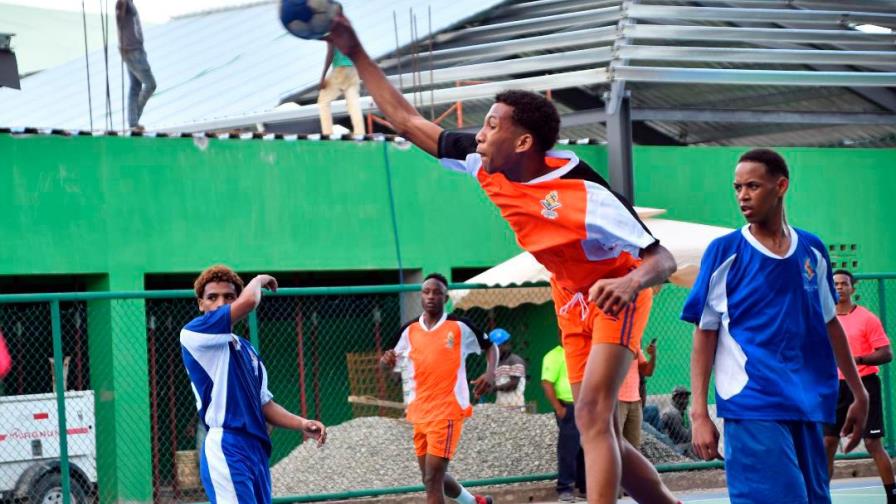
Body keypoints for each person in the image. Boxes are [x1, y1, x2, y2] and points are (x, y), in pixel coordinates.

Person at [327, 13, 679, 504]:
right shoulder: (484, 162)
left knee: (595, 415)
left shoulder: (584, 192)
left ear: (523, 142)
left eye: (490, 125)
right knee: (597, 427)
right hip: (569, 293)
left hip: (617, 288)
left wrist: (629, 285)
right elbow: (408, 122)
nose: (478, 134)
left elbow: (660, 259)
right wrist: (355, 49)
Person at [683, 148, 868, 504]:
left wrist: (859, 393)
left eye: (752, 185)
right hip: (753, 404)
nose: (742, 196)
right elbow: (704, 333)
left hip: (807, 404)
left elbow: (830, 324)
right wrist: (699, 412)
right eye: (737, 187)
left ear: (780, 186)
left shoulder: (812, 250)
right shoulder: (725, 252)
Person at [180, 265, 327, 504]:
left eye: (229, 297)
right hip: (227, 445)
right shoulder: (194, 335)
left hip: (256, 449)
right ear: (200, 304)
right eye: (212, 297)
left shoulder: (247, 350)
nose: (220, 303)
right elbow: (250, 301)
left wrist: (302, 423)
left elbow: (265, 405)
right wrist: (259, 279)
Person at [379, 273, 498, 504]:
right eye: (426, 292)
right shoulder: (409, 330)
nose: (431, 296)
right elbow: (388, 366)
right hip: (419, 412)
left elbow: (490, 346)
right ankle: (473, 502)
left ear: (445, 298)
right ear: (421, 296)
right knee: (431, 477)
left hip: (447, 411)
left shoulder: (460, 326)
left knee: (433, 478)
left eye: (437, 293)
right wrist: (386, 363)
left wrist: (490, 372)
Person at [823, 269, 894, 503]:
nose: (840, 287)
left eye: (844, 284)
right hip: (834, 387)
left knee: (873, 442)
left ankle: (892, 494)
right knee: (828, 442)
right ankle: (821, 495)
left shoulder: (867, 318)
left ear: (853, 288)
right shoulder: (823, 319)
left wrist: (859, 360)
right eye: (835, 284)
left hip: (864, 384)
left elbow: (886, 353)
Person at [542, 343, 586, 502]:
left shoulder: (582, 350)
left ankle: (584, 487)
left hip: (585, 405)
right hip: (568, 407)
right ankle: (565, 488)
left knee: (585, 448)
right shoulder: (554, 355)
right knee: (568, 449)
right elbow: (547, 383)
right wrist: (559, 408)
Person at [115, 0, 156, 130]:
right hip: (133, 50)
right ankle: (134, 118)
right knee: (150, 85)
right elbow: (119, 12)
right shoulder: (124, 3)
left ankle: (133, 123)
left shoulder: (128, 3)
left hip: (130, 50)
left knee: (135, 86)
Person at [318, 40, 365, 137]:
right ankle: (360, 133)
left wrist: (323, 77)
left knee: (323, 101)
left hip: (340, 69)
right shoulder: (347, 28)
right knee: (353, 102)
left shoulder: (331, 29)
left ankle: (327, 133)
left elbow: (330, 53)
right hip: (353, 69)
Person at [617, 340, 655, 449]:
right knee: (616, 443)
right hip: (617, 401)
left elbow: (647, 371)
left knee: (634, 447)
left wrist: (653, 356)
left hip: (635, 402)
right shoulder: (612, 341)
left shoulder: (635, 343)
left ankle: (628, 466)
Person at [490, 328, 527, 411]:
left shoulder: (515, 361)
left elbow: (513, 384)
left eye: (498, 347)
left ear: (506, 345)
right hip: (501, 405)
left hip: (516, 406)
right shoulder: (496, 363)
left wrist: (494, 388)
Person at [660, 386, 692, 455]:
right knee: (693, 445)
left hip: (676, 444)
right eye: (682, 398)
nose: (685, 401)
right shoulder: (673, 413)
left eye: (686, 398)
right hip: (670, 447)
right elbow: (684, 437)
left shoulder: (682, 411)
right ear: (675, 399)